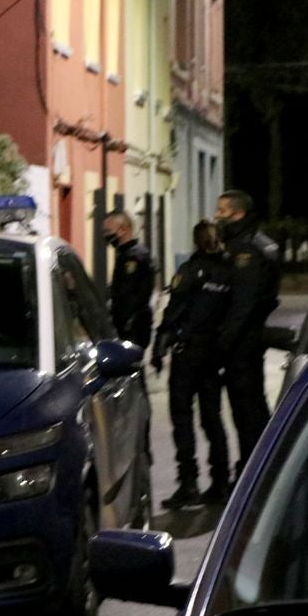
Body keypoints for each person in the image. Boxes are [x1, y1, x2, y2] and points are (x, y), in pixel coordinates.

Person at [152, 221, 233, 509]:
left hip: (188, 353)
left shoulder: (189, 271)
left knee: (182, 416)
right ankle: (221, 481)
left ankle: (188, 484)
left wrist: (160, 346)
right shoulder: (229, 272)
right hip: (214, 354)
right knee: (212, 417)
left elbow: (174, 310)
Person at [215, 189, 280, 475]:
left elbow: (243, 302)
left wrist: (224, 342)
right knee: (252, 404)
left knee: (246, 408)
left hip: (243, 342)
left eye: (221, 211)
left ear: (237, 213)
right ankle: (259, 464)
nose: (217, 216)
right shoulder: (260, 243)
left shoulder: (247, 250)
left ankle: (253, 469)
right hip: (250, 338)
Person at [102, 210, 155, 349]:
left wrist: (122, 320)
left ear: (123, 230)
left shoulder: (134, 257)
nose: (106, 235)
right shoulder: (126, 254)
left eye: (108, 231)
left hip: (133, 326)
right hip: (129, 325)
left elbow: (130, 296)